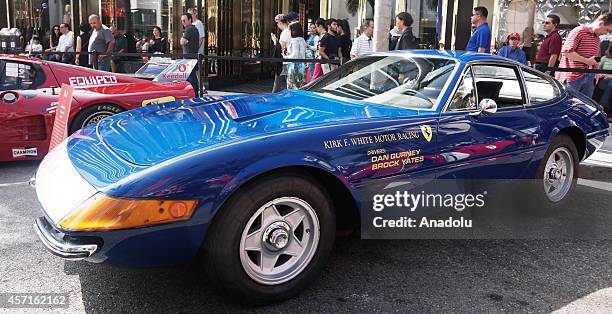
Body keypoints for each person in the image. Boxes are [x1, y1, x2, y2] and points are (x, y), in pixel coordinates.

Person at [556, 13, 612, 98]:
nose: (606, 34)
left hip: (589, 76)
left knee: (585, 107)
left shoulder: (597, 38)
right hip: (572, 77)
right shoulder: (579, 31)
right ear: (601, 23)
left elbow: (596, 57)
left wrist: (597, 70)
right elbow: (566, 52)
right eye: (607, 30)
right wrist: (587, 61)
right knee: (568, 104)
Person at [180, 13, 201, 95]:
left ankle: (194, 94)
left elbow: (182, 42)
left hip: (189, 57)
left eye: (184, 20)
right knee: (191, 78)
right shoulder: (194, 29)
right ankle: (194, 94)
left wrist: (183, 39)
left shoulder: (189, 29)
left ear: (190, 20)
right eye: (182, 21)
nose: (183, 22)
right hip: (192, 56)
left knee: (191, 78)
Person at [271, 14, 291, 92]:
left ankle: (274, 96)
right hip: (288, 59)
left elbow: (281, 47)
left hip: (285, 60)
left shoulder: (285, 32)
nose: (277, 25)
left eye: (277, 23)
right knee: (286, 81)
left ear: (280, 23)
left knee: (278, 80)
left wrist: (275, 41)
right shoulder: (289, 31)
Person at [286, 23, 307, 89]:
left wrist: (286, 57)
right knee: (300, 86)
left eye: (290, 30)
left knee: (293, 86)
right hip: (301, 65)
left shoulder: (295, 40)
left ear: (294, 31)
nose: (289, 32)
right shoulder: (302, 40)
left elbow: (295, 55)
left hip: (294, 65)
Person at [597, 44, 612, 122]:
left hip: (610, 82)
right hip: (604, 81)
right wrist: (602, 75)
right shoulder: (604, 58)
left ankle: (602, 107)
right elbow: (597, 70)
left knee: (611, 84)